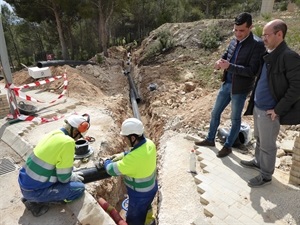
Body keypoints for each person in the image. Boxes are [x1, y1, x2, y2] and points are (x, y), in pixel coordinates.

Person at [194, 12, 265, 158]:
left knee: (235, 119)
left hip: (240, 89)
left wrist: (229, 66)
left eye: (241, 31)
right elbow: (226, 55)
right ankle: (210, 139)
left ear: (250, 27)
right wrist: (220, 62)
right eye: (235, 30)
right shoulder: (234, 41)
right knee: (215, 113)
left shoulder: (257, 45)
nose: (238, 34)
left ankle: (228, 146)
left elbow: (252, 71)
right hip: (227, 84)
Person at [241, 19, 300, 187]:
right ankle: (258, 162)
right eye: (262, 35)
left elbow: (297, 88)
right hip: (259, 107)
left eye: (266, 35)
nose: (263, 38)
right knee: (259, 139)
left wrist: (278, 109)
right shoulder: (270, 53)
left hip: (270, 111)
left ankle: (266, 175)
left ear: (279, 34)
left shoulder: (289, 57)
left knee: (268, 145)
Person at [18, 114, 91, 216]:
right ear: (74, 131)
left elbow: (53, 161)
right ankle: (37, 202)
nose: (78, 138)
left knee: (69, 179)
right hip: (35, 191)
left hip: (25, 183)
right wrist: (71, 176)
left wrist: (70, 169)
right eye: (79, 135)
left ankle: (33, 197)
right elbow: (64, 179)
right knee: (78, 188)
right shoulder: (68, 142)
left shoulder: (55, 133)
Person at [104, 118, 158, 225]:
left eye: (125, 138)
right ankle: (148, 221)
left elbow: (111, 170)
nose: (124, 140)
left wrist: (106, 162)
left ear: (133, 137)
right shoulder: (150, 144)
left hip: (139, 195)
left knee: (134, 220)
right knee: (146, 207)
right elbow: (136, 152)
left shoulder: (133, 160)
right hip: (151, 188)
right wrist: (122, 155)